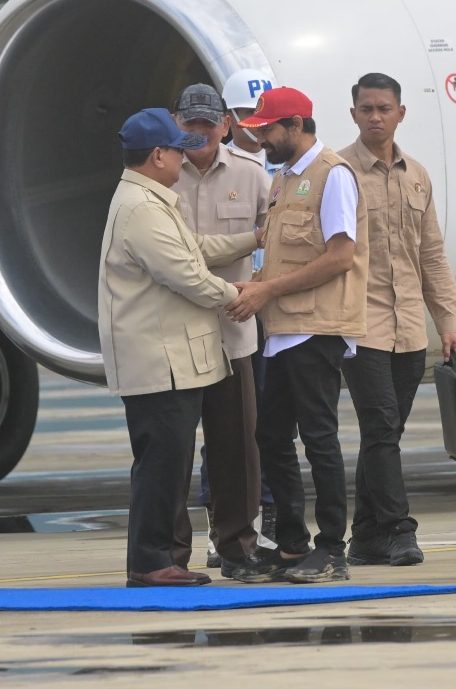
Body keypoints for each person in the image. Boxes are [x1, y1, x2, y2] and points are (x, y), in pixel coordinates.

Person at [98, 108, 259, 587]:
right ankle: (151, 563)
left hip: (166, 358)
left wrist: (256, 237)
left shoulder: (147, 199)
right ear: (157, 155)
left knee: (164, 462)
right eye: (176, 149)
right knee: (161, 465)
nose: (182, 158)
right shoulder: (144, 209)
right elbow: (187, 275)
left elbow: (194, 249)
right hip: (160, 360)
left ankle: (154, 559)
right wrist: (241, 297)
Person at [225, 87, 369, 584]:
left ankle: (331, 548)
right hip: (283, 329)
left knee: (319, 439)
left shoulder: (334, 176)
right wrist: (253, 288)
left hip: (317, 327)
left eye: (268, 129)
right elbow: (283, 257)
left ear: (296, 124)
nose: (261, 137)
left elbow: (339, 257)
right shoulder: (284, 179)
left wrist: (268, 292)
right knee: (271, 436)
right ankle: (291, 545)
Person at [337, 72, 456, 566]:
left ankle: (366, 533)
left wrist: (447, 321)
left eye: (383, 108)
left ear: (400, 113)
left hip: (409, 325)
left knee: (385, 433)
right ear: (353, 115)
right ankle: (397, 530)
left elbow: (430, 253)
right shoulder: (338, 172)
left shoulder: (418, 175)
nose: (375, 117)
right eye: (366, 109)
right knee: (382, 425)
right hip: (359, 323)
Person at [171, 84, 271, 577]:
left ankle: (236, 546)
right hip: (174, 333)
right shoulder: (159, 175)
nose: (199, 132)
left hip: (232, 332)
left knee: (238, 447)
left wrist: (262, 286)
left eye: (208, 123)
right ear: (176, 123)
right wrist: (247, 240)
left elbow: (279, 244)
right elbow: (181, 253)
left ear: (226, 125)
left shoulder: (254, 176)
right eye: (190, 123)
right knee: (173, 448)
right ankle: (171, 556)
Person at [221, 68, 283, 546]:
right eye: (248, 116)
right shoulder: (224, 169)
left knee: (280, 421)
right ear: (230, 118)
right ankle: (231, 519)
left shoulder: (286, 168)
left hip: (279, 311)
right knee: (234, 425)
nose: (256, 127)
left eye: (265, 118)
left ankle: (274, 511)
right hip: (239, 310)